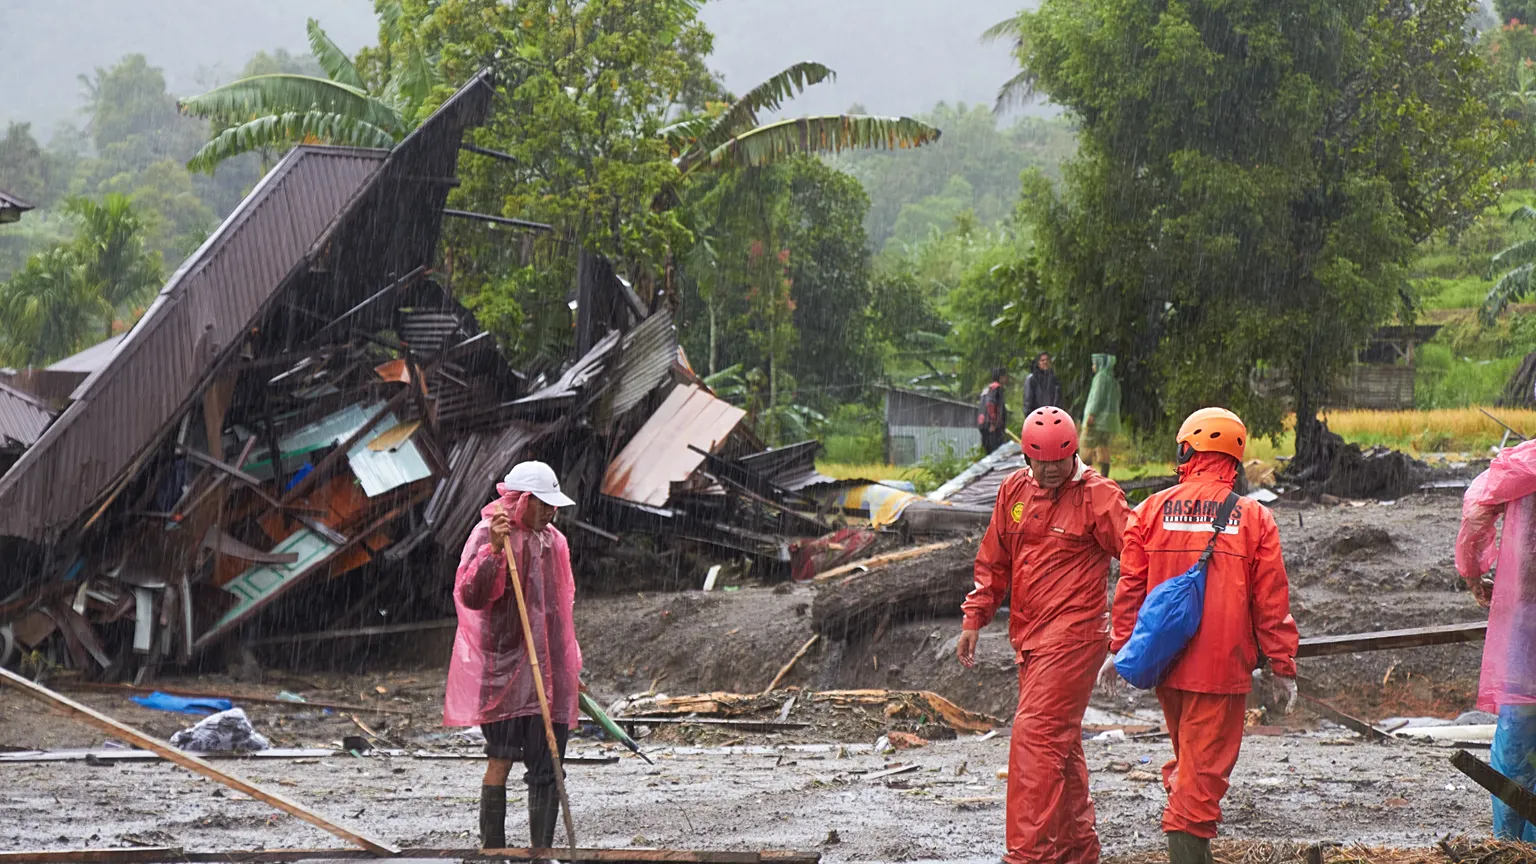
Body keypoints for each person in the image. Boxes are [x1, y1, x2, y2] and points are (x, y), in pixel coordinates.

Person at [1100, 408, 1298, 864]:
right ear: (1235, 457)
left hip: (1166, 666)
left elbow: (1130, 589)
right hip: (1221, 670)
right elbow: (1272, 605)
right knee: (1198, 786)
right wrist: (1283, 668)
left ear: (1186, 449)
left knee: (1191, 766)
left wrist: (1120, 649)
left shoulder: (1149, 510)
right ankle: (1186, 852)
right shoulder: (1254, 519)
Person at [958, 406, 1133, 864]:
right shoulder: (1013, 491)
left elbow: (1139, 561)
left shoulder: (1098, 496)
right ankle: (1078, 852)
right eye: (1043, 461)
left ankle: (1027, 858)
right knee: (1061, 745)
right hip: (1030, 640)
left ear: (1074, 452)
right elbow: (993, 561)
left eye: (1061, 459)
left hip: (1075, 638)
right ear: (1027, 457)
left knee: (1034, 742)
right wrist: (975, 617)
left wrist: (1129, 632)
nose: (1052, 469)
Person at [444, 461, 580, 850]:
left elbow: (561, 610)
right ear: (519, 501)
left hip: (549, 674)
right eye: (542, 504)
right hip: (503, 672)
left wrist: (572, 663)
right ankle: (494, 850)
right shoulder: (488, 534)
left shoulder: (555, 542)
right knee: (501, 758)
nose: (551, 512)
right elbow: (471, 595)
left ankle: (542, 852)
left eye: (553, 505)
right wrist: (495, 553)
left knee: (548, 765)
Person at [1455, 440, 1536, 842]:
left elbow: (1476, 509)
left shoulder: (1526, 461)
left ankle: (1512, 843)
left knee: (1521, 727)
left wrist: (1473, 572)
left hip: (1529, 611)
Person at [1082, 354, 1122, 478]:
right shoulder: (1112, 379)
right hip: (1109, 422)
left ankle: (1085, 476)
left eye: (1094, 363)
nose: (1093, 366)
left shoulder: (1100, 378)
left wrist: (1092, 414)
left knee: (1086, 445)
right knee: (1103, 447)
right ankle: (1104, 477)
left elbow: (1097, 398)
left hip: (1097, 420)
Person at [978, 367, 1011, 454]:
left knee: (989, 451)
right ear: (1000, 377)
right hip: (992, 426)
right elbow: (990, 404)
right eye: (1005, 376)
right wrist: (993, 423)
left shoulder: (987, 389)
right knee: (996, 451)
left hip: (983, 424)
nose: (1007, 378)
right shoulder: (996, 388)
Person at [1022, 352, 1063, 417]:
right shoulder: (1032, 379)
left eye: (1047, 360)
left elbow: (1059, 400)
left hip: (1052, 416)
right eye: (1042, 360)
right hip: (1037, 416)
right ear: (1038, 363)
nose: (1045, 362)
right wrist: (1029, 417)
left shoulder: (1054, 380)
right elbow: (1028, 401)